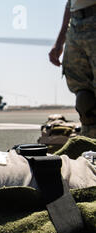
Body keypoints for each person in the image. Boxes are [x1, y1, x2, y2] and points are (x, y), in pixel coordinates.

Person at [49, 0, 96, 138]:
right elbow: (70, 3)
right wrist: (59, 41)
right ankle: (89, 145)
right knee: (84, 98)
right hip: (76, 25)